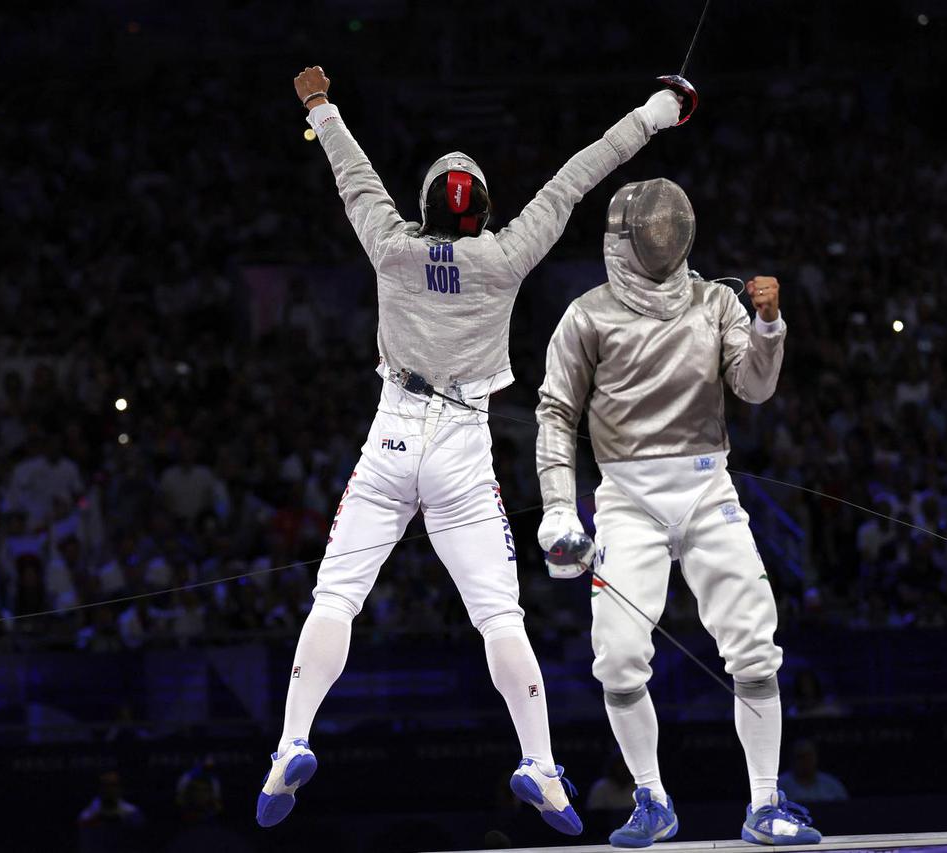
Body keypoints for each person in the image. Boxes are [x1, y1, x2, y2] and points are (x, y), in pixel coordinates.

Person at [258, 64, 686, 835]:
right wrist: (656, 111)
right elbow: (580, 171)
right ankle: (541, 766)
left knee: (335, 597)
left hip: (391, 433)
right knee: (497, 614)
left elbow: (351, 171)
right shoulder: (505, 256)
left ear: (423, 207)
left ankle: (291, 740)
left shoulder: (390, 245)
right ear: (485, 210)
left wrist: (319, 103)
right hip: (461, 444)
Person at [534, 179, 822, 846]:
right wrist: (557, 508)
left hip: (705, 488)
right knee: (619, 653)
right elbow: (555, 413)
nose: (661, 238)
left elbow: (752, 386)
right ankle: (651, 799)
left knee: (753, 641)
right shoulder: (586, 316)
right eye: (650, 229)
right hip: (626, 500)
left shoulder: (716, 302)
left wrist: (769, 327)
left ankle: (765, 803)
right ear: (623, 238)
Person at [777, 740, 849, 803]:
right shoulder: (780, 785)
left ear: (816, 758)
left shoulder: (832, 785)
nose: (805, 761)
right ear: (792, 759)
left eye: (809, 756)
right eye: (801, 757)